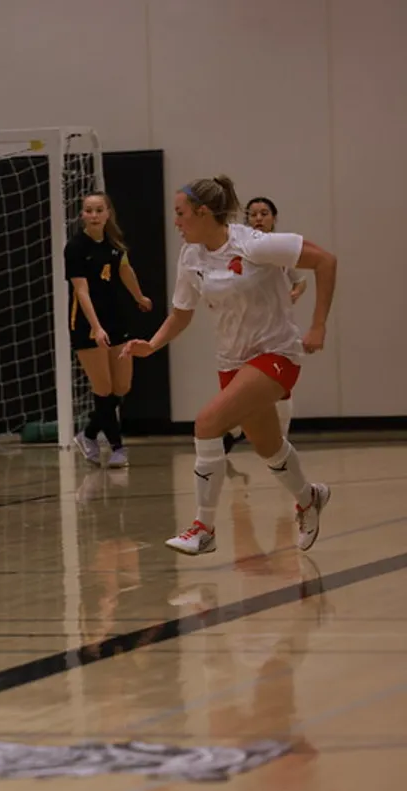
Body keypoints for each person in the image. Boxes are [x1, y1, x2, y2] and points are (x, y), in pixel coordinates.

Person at [122, 175, 337, 556]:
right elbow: (181, 315)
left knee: (207, 422)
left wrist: (318, 324)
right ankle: (309, 498)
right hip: (232, 361)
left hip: (276, 354)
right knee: (268, 447)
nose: (176, 222)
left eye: (181, 214)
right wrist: (151, 345)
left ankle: (203, 527)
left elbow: (325, 261)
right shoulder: (191, 257)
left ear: (204, 213)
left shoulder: (253, 243)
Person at [65, 192, 153, 468]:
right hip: (87, 324)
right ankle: (117, 448)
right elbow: (81, 290)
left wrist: (139, 297)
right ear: (82, 215)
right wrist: (96, 327)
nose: (93, 215)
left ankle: (89, 434)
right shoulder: (76, 247)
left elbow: (125, 271)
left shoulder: (114, 244)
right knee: (103, 388)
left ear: (107, 213)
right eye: (88, 210)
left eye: (98, 210)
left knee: (122, 385)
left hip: (116, 319)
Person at [225, 196, 307, 454]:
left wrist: (295, 293)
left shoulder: (282, 249)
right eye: (253, 214)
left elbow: (301, 280)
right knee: (240, 386)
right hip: (244, 331)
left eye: (264, 213)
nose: (258, 218)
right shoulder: (238, 249)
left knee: (280, 387)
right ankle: (236, 429)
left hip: (277, 332)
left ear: (274, 218)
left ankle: (281, 440)